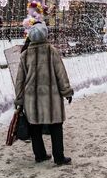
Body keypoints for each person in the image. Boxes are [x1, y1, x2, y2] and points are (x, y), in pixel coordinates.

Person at [15, 22, 74, 165]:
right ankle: (59, 157)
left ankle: (40, 155)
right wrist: (66, 91)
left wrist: (19, 100)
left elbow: (20, 80)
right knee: (56, 127)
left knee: (35, 128)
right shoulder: (51, 50)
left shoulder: (25, 54)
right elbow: (61, 73)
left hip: (31, 99)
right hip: (51, 98)